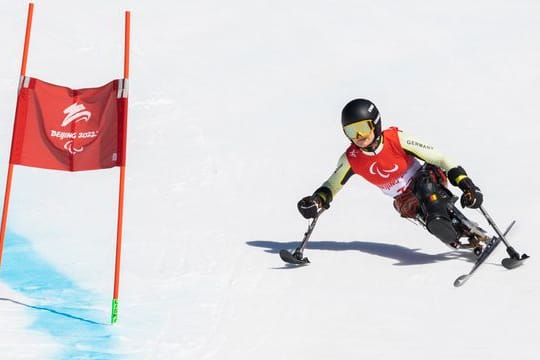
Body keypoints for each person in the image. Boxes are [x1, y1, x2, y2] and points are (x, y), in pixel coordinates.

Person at [297, 98, 485, 251]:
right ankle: (460, 236)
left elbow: (440, 158)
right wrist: (316, 201)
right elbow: (332, 185)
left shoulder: (395, 139)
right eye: (351, 131)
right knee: (424, 215)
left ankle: (451, 221)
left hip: (426, 177)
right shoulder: (351, 159)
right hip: (403, 198)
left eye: (363, 127)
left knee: (427, 190)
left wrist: (467, 185)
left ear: (375, 124)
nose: (359, 136)